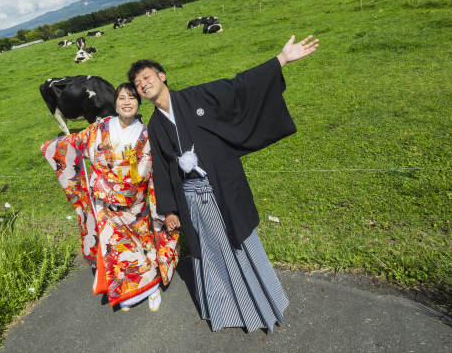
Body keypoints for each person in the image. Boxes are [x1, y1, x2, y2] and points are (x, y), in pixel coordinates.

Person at [128, 34, 319, 332]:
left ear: (162, 76)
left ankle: (261, 306)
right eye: (138, 84)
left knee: (240, 244)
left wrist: (281, 60)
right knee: (211, 253)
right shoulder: (155, 125)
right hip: (193, 200)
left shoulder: (197, 96)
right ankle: (228, 310)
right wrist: (170, 211)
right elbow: (164, 171)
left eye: (146, 76)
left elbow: (238, 87)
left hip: (221, 188)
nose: (143, 84)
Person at [41, 82, 179, 311]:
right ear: (114, 103)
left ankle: (151, 287)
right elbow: (73, 144)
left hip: (135, 205)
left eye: (132, 98)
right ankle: (127, 294)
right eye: (122, 98)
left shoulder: (147, 133)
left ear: (138, 102)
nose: (127, 102)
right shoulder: (99, 128)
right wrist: (49, 147)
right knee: (116, 251)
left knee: (143, 246)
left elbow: (157, 165)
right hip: (105, 204)